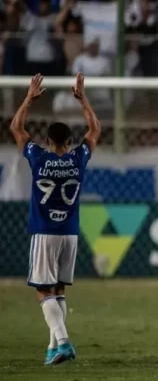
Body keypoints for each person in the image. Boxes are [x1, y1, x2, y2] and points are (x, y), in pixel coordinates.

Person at [11, 73, 101, 365]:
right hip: (70, 233)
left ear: (48, 140)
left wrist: (29, 98)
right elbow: (96, 130)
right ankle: (52, 349)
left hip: (45, 231)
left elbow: (16, 127)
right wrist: (82, 98)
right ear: (70, 140)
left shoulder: (38, 156)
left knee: (42, 291)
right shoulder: (79, 158)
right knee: (58, 290)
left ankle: (63, 342)